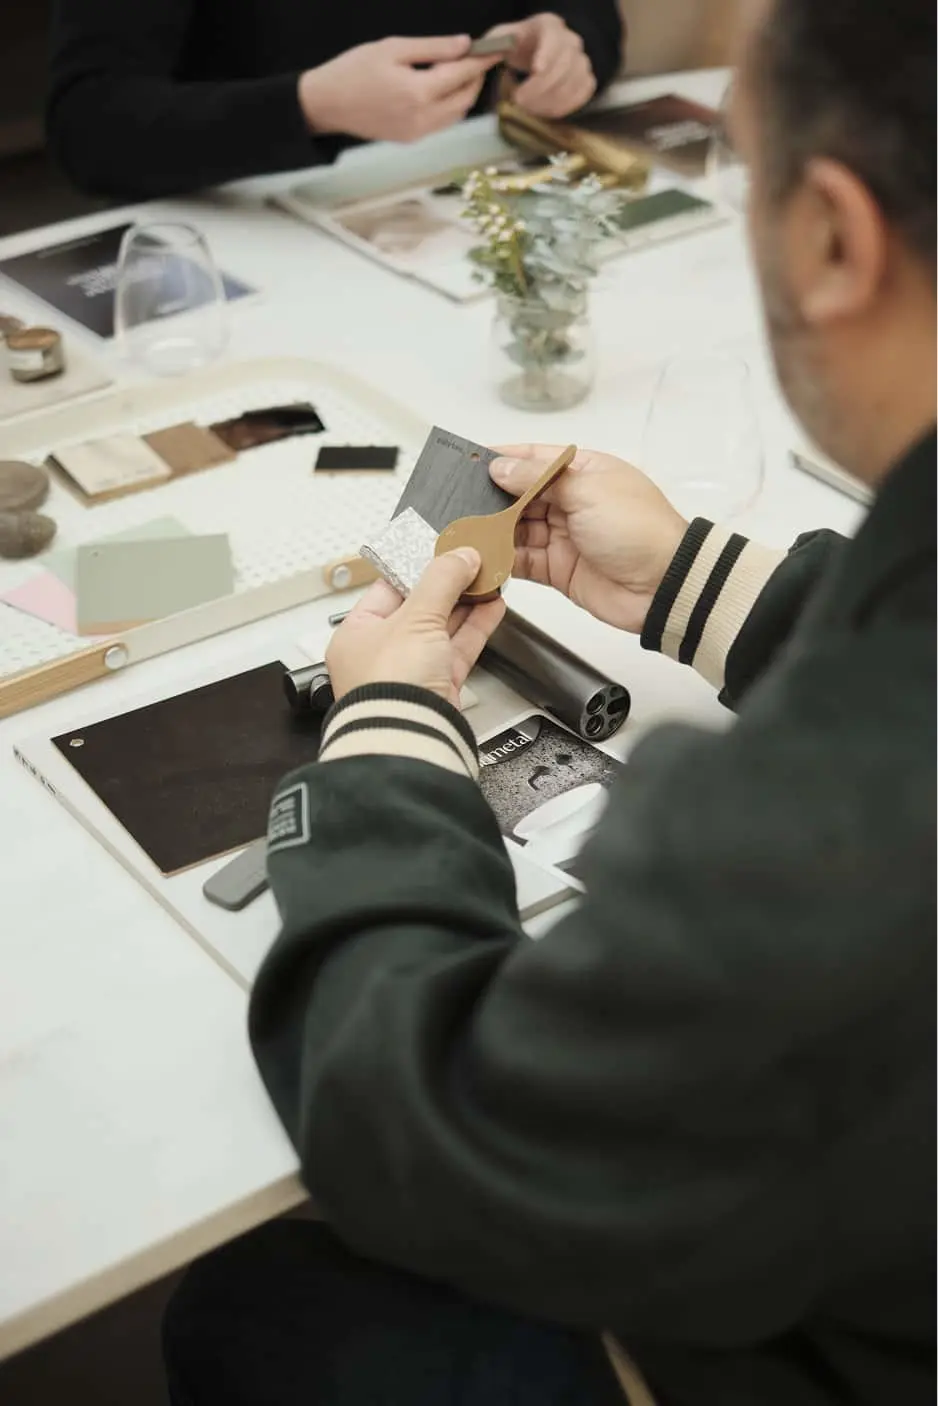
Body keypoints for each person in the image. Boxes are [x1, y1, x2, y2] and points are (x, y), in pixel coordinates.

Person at [163, 0, 936, 1401]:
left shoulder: (809, 838)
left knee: (258, 1307)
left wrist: (390, 734)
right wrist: (694, 581)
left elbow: (416, 1120)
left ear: (831, 234)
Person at [45, 1, 623, 199]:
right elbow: (89, 125)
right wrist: (308, 106)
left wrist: (571, 47)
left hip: (450, 198)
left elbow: (589, 16)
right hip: (232, 219)